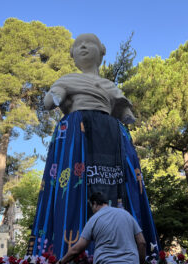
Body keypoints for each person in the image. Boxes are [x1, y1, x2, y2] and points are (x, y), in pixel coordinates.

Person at [27, 33, 160, 260]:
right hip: (77, 132)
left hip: (111, 132)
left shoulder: (109, 85)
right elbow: (49, 102)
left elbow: (124, 111)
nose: (84, 47)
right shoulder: (67, 80)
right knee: (72, 182)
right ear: (72, 54)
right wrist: (56, 95)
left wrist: (126, 115)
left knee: (125, 176)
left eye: (89, 43)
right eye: (78, 45)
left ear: (102, 51)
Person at [58, 192, 146, 264]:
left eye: (91, 207)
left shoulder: (93, 220)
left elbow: (77, 249)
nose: (92, 210)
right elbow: (142, 242)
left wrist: (61, 262)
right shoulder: (126, 214)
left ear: (95, 203)